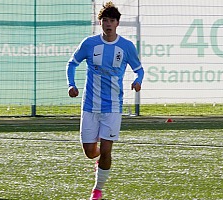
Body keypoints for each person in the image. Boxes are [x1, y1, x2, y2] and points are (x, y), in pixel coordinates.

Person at [66, 1, 144, 199]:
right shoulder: (89, 44)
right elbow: (72, 64)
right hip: (90, 106)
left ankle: (97, 190)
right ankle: (97, 159)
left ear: (117, 23)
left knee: (108, 151)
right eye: (105, 20)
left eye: (112, 20)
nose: (108, 24)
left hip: (113, 107)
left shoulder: (126, 46)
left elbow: (139, 69)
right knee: (90, 152)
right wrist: (71, 84)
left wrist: (138, 80)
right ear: (100, 23)